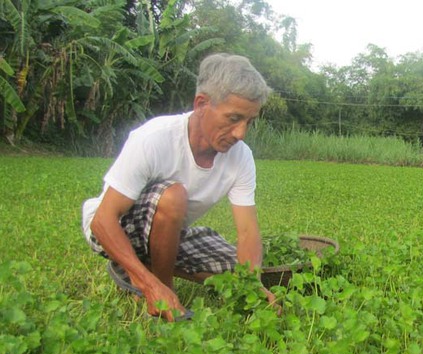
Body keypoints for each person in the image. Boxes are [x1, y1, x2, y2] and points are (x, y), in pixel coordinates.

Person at [81, 53, 277, 322]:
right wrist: (151, 286)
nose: (240, 133)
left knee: (239, 272)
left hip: (170, 234)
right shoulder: (155, 138)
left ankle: (136, 268)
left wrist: (252, 284)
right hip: (118, 228)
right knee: (173, 196)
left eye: (249, 122)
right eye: (233, 118)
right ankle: (160, 289)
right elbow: (102, 221)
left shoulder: (241, 157)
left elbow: (247, 232)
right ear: (201, 104)